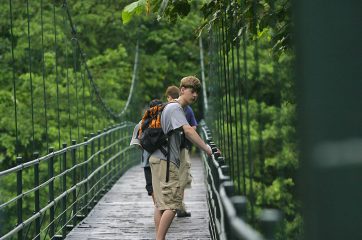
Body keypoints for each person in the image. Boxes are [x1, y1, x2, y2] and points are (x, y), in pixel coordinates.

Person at [149, 76, 214, 240]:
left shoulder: (167, 107)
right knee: (173, 204)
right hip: (166, 160)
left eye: (197, 93)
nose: (195, 96)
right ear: (182, 90)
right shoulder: (176, 108)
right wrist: (207, 149)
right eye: (192, 91)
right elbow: (189, 131)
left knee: (161, 205)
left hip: (156, 158)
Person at [165, 85, 196, 217]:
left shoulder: (187, 110)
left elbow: (193, 126)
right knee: (175, 180)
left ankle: (178, 207)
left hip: (181, 149)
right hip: (170, 151)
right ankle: (174, 207)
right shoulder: (169, 109)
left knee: (181, 180)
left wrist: (184, 131)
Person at [130, 99, 163, 204]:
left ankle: (157, 206)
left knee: (150, 186)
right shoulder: (165, 121)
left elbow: (137, 143)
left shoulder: (141, 123)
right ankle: (163, 206)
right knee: (162, 185)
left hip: (147, 162)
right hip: (162, 159)